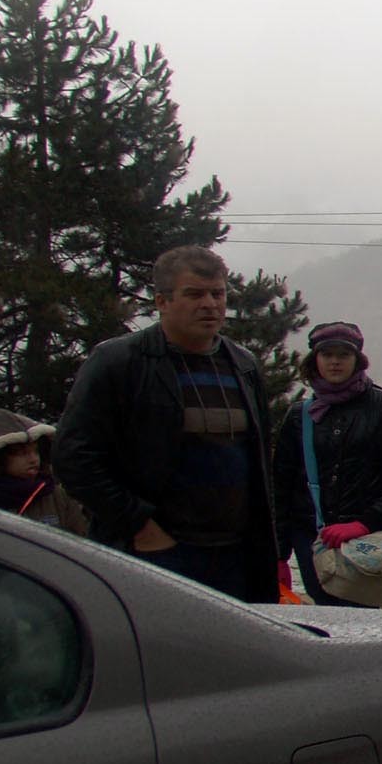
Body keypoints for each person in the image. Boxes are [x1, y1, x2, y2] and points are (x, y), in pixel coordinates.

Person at [56, 245, 305, 601]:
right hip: (156, 553)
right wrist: (138, 524)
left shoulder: (243, 364)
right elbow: (73, 457)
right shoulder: (119, 362)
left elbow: (257, 462)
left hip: (236, 555)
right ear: (162, 301)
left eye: (217, 294)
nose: (210, 304)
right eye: (194, 294)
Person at [288, 321, 382, 606]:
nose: (335, 362)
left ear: (358, 360)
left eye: (344, 354)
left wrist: (364, 522)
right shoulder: (299, 416)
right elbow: (282, 487)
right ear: (315, 360)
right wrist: (278, 553)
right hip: (313, 541)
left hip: (371, 542)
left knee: (366, 620)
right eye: (327, 354)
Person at [0, 408, 89, 534]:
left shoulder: (56, 497)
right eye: (22, 453)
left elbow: (82, 543)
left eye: (36, 451)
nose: (33, 459)